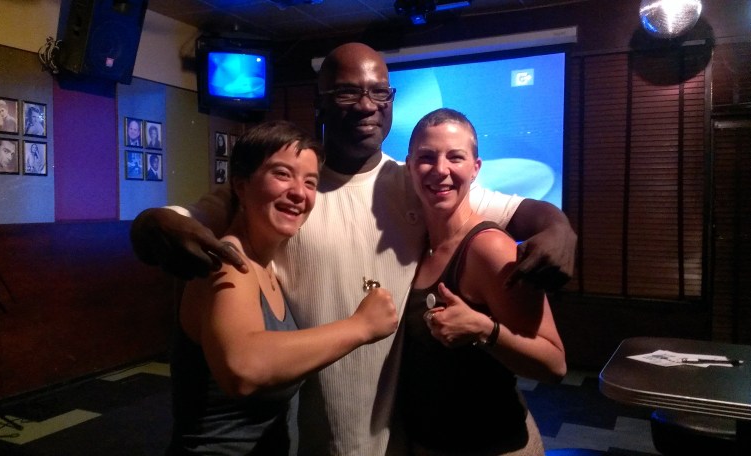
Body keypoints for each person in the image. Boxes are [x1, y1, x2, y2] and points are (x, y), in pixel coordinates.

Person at [130, 43, 577, 455]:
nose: (367, 105)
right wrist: (151, 221)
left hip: (399, 435)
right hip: (304, 435)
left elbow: (521, 210)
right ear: (320, 99)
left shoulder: (415, 181)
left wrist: (559, 227)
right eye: (347, 92)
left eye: (379, 92)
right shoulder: (287, 191)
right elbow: (184, 220)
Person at [167, 120, 398, 455]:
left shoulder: (266, 266)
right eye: (282, 174)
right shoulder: (230, 261)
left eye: (310, 182)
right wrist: (361, 326)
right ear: (241, 185)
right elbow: (242, 367)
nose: (299, 192)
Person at [399, 108, 567, 456]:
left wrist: (484, 330)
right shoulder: (418, 245)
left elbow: (554, 365)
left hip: (494, 445)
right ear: (410, 166)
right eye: (427, 157)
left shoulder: (489, 247)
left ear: (475, 168)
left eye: (455, 157)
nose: (441, 169)